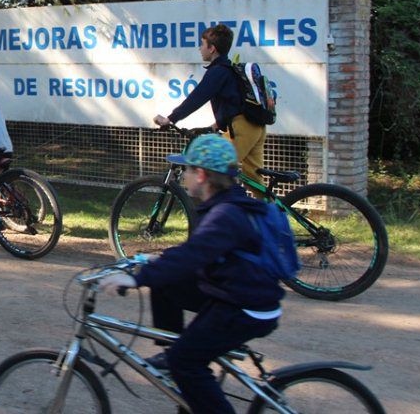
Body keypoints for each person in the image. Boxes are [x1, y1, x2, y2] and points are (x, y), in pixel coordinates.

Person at [97, 134, 283, 414]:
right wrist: (157, 259)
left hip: (245, 306)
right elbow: (199, 250)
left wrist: (135, 278)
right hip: (233, 290)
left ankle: (179, 363)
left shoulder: (225, 214)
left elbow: (192, 256)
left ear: (202, 175)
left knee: (186, 363)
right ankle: (173, 355)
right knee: (166, 283)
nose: (182, 174)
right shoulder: (223, 206)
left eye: (187, 169)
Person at [153, 23, 266, 189]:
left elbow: (196, 98)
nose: (200, 48)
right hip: (254, 127)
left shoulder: (218, 71)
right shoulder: (229, 69)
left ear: (212, 48)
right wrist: (214, 127)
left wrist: (170, 119)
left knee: (216, 173)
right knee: (254, 182)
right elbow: (234, 104)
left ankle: (230, 212)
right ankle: (273, 213)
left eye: (202, 44)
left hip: (241, 129)